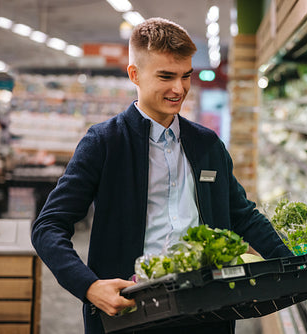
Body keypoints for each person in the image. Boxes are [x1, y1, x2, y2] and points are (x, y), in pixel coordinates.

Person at [31, 17, 292, 334]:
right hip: (131, 313)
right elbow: (48, 225)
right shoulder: (105, 143)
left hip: (209, 310)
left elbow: (243, 216)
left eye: (186, 76)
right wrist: (89, 286)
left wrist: (293, 264)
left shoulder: (207, 144)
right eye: (166, 76)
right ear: (135, 75)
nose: (179, 88)